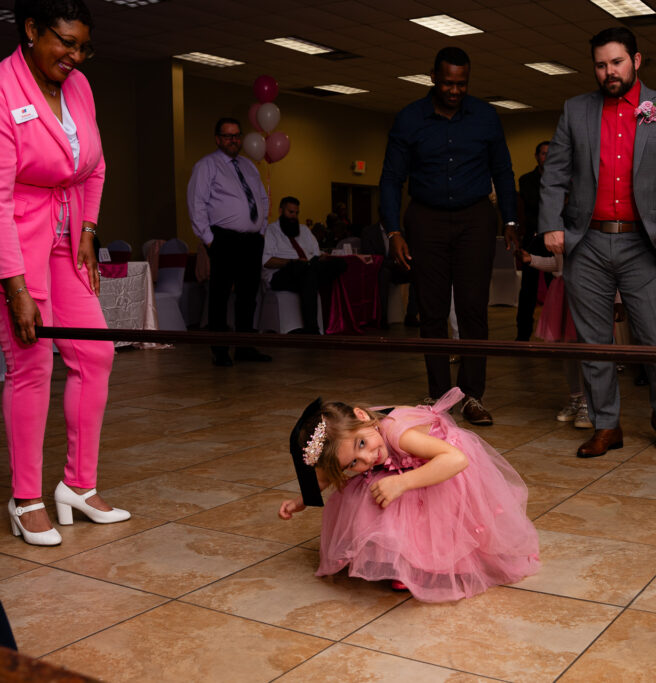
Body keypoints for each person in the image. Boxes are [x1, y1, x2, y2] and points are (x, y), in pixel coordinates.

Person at [0, 0, 131, 547]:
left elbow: (95, 165)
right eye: (64, 42)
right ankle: (25, 497)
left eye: (83, 46)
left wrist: (88, 229)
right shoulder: (4, 90)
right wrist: (15, 286)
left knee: (95, 352)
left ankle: (77, 485)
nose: (74, 56)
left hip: (66, 240)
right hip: (18, 243)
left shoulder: (78, 87)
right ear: (31, 30)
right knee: (30, 364)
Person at [539, 27, 656, 457]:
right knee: (593, 343)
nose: (609, 71)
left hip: (645, 246)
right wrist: (551, 222)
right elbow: (554, 174)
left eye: (617, 62)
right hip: (587, 243)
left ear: (637, 61)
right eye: (601, 64)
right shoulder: (576, 110)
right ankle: (606, 424)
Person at [277, 388, 540, 602]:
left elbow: (456, 460)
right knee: (371, 493)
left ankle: (429, 562)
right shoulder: (359, 432)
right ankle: (399, 558)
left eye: (361, 445)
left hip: (441, 465)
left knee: (414, 499)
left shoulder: (396, 432)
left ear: (361, 415)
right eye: (352, 464)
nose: (367, 459)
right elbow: (324, 475)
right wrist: (301, 501)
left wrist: (403, 483)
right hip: (404, 467)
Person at [379, 46, 519, 426]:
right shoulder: (410, 119)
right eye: (447, 83)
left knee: (474, 308)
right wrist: (393, 229)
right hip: (426, 219)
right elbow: (392, 178)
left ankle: (472, 395)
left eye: (462, 84)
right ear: (433, 78)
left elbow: (503, 172)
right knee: (433, 309)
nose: (454, 91)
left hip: (476, 217)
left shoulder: (485, 116)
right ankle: (439, 396)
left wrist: (510, 222)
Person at [187, 116, 271, 367]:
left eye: (236, 136)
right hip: (223, 239)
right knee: (220, 295)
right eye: (227, 136)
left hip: (251, 241)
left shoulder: (249, 166)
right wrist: (210, 240)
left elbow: (262, 199)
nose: (233, 140)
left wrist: (261, 228)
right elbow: (196, 204)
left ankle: (245, 346)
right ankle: (220, 349)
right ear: (217, 139)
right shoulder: (207, 166)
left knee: (248, 296)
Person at [520, 250, 591, 429]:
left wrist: (617, 300)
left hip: (588, 290)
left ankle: (588, 402)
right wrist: (532, 259)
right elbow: (557, 263)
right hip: (562, 291)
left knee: (587, 350)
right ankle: (575, 396)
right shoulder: (563, 234)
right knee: (567, 351)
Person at [262, 196, 346, 334]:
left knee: (340, 264)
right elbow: (266, 261)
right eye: (290, 212)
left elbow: (316, 253)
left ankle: (325, 322)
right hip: (281, 273)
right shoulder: (271, 231)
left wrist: (324, 259)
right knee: (307, 271)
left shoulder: (304, 230)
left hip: (306, 268)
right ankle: (312, 329)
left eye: (296, 213)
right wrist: (291, 262)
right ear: (281, 211)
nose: (294, 216)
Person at [514, 140, 552, 341]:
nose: (547, 157)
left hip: (556, 240)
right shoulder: (527, 179)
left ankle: (555, 333)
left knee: (556, 288)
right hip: (533, 238)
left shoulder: (563, 179)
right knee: (528, 290)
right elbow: (535, 203)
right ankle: (523, 334)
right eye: (544, 153)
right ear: (537, 156)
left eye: (551, 153)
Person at [360, 220, 418, 329]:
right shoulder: (369, 232)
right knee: (384, 274)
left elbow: (406, 252)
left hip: (397, 267)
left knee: (416, 273)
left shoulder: (400, 232)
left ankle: (411, 314)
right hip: (379, 268)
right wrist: (389, 263)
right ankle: (382, 317)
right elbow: (369, 255)